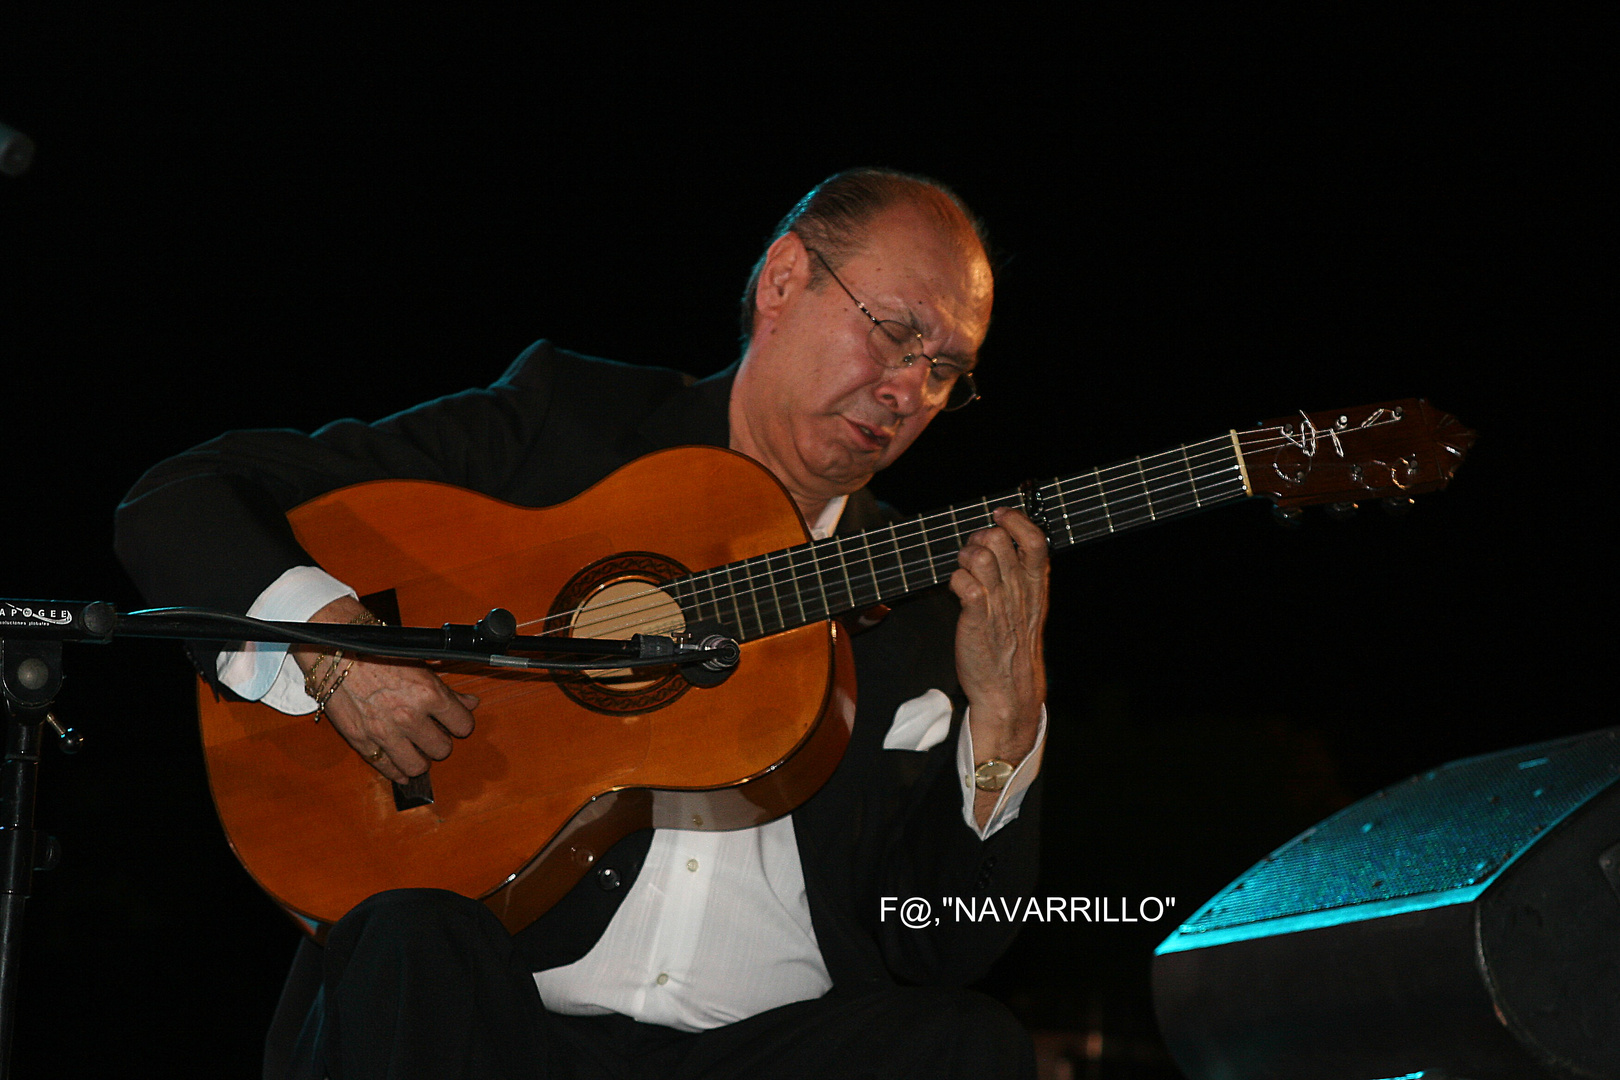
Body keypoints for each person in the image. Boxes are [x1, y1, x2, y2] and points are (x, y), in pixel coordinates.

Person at [116, 168, 1051, 1079]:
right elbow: (186, 497)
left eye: (946, 372)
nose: (907, 391)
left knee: (972, 1043)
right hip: (501, 1020)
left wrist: (1005, 721)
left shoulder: (938, 601)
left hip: (770, 1048)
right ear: (783, 280)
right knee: (409, 936)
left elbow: (942, 942)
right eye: (894, 333)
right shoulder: (568, 424)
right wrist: (335, 651)